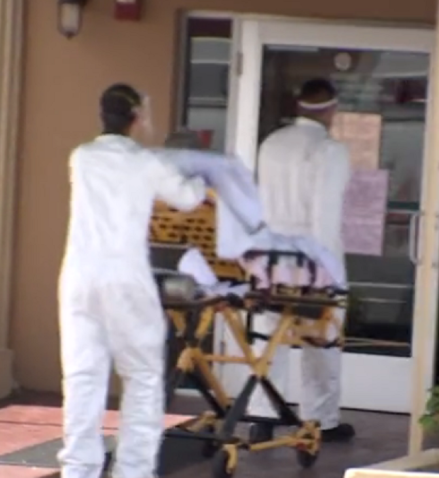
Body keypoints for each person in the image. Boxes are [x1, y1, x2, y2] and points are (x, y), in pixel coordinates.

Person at [57, 83, 212, 478]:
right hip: (126, 277)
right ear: (137, 117)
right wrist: (202, 180)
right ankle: (133, 472)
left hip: (78, 276)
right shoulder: (145, 162)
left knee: (82, 378)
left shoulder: (82, 157)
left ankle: (79, 470)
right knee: (142, 376)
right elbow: (187, 198)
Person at [247, 78, 355, 443]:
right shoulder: (330, 150)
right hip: (312, 256)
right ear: (331, 110)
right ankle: (321, 419)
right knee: (320, 339)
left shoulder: (271, 144)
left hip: (270, 255)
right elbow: (325, 216)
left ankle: (264, 413)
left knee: (269, 336)